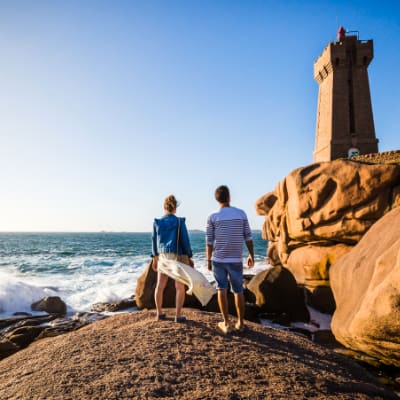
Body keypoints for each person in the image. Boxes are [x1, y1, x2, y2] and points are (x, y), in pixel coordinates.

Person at [206, 185, 254, 334]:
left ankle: (226, 323)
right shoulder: (241, 214)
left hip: (218, 260)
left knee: (221, 289)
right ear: (229, 197)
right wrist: (251, 254)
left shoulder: (212, 217)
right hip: (235, 260)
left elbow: (209, 241)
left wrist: (208, 260)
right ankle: (240, 323)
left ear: (217, 199)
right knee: (238, 291)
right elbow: (248, 236)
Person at [151, 195, 194, 322]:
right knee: (179, 287)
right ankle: (178, 315)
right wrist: (189, 256)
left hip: (163, 256)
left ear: (164, 207)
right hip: (176, 256)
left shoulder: (157, 222)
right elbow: (185, 241)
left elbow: (154, 242)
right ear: (175, 208)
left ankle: (159, 313)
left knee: (160, 286)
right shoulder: (180, 222)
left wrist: (154, 258)